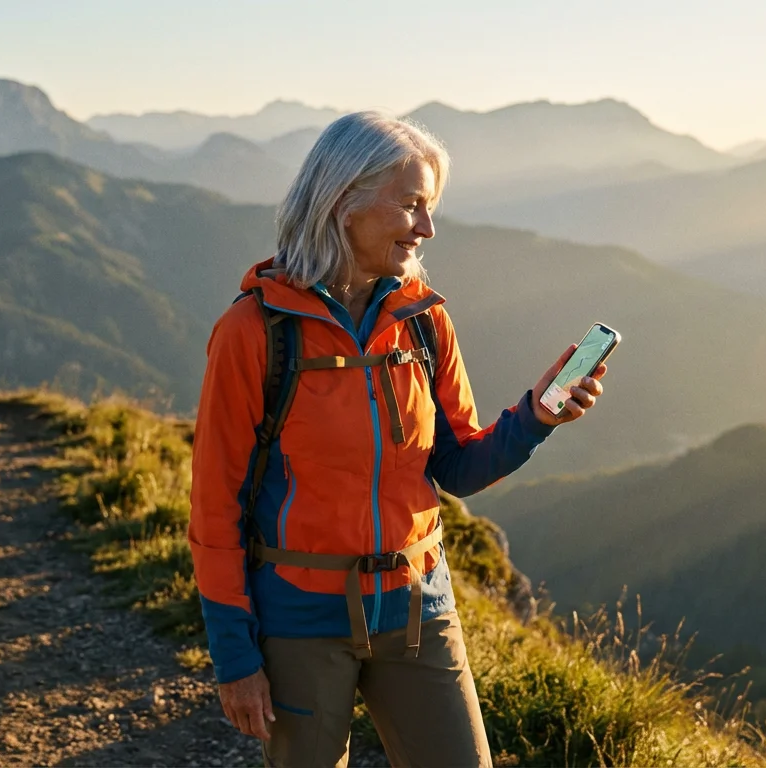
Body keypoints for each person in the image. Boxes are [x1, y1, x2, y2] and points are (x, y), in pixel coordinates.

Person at [189, 111, 607, 767]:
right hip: (300, 618)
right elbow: (216, 507)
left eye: (430, 206)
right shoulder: (253, 333)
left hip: (419, 608)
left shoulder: (423, 320)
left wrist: (537, 416)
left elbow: (459, 466)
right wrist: (235, 656)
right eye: (412, 205)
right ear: (344, 200)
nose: (428, 227)